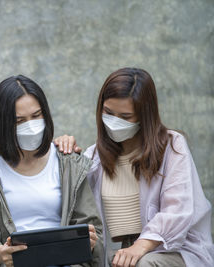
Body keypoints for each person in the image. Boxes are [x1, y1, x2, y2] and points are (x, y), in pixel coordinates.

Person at [54, 67, 214, 267]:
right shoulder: (94, 157)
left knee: (143, 264)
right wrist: (65, 153)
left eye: (125, 117)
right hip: (121, 253)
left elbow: (177, 210)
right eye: (108, 113)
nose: (114, 122)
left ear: (144, 115)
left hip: (173, 250)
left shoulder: (172, 146)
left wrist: (140, 246)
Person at [0, 75, 104, 267]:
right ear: (1, 124)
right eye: (19, 121)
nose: (30, 126)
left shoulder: (69, 164)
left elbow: (92, 227)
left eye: (36, 116)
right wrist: (4, 254)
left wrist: (88, 241)